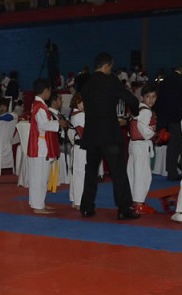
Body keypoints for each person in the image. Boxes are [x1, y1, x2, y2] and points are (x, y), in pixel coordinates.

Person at [80, 52, 140, 220]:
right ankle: (124, 209)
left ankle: (86, 207)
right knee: (118, 172)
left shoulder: (86, 84)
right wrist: (135, 113)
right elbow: (131, 100)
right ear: (107, 66)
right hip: (110, 135)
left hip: (91, 135)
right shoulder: (111, 80)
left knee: (91, 172)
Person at [154, 66, 182, 181]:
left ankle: (171, 172)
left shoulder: (165, 81)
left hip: (169, 120)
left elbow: (160, 101)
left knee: (172, 146)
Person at [27, 79, 62, 214]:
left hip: (41, 145)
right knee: (39, 177)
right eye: (49, 91)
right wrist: (59, 124)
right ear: (46, 91)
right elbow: (43, 125)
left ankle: (39, 203)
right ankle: (38, 206)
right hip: (40, 146)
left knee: (41, 177)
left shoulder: (39, 105)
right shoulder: (39, 107)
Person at [127, 84, 158, 215]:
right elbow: (144, 130)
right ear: (142, 97)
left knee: (133, 173)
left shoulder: (137, 109)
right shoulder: (146, 112)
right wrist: (155, 134)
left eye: (153, 97)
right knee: (142, 175)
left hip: (134, 145)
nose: (151, 100)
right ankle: (139, 204)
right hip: (141, 145)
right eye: (148, 97)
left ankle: (134, 202)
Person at [67, 92, 86, 210]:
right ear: (77, 102)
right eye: (82, 102)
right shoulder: (80, 116)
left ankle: (75, 199)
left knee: (76, 173)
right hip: (81, 147)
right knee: (80, 174)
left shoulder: (74, 114)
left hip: (77, 147)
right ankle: (79, 201)